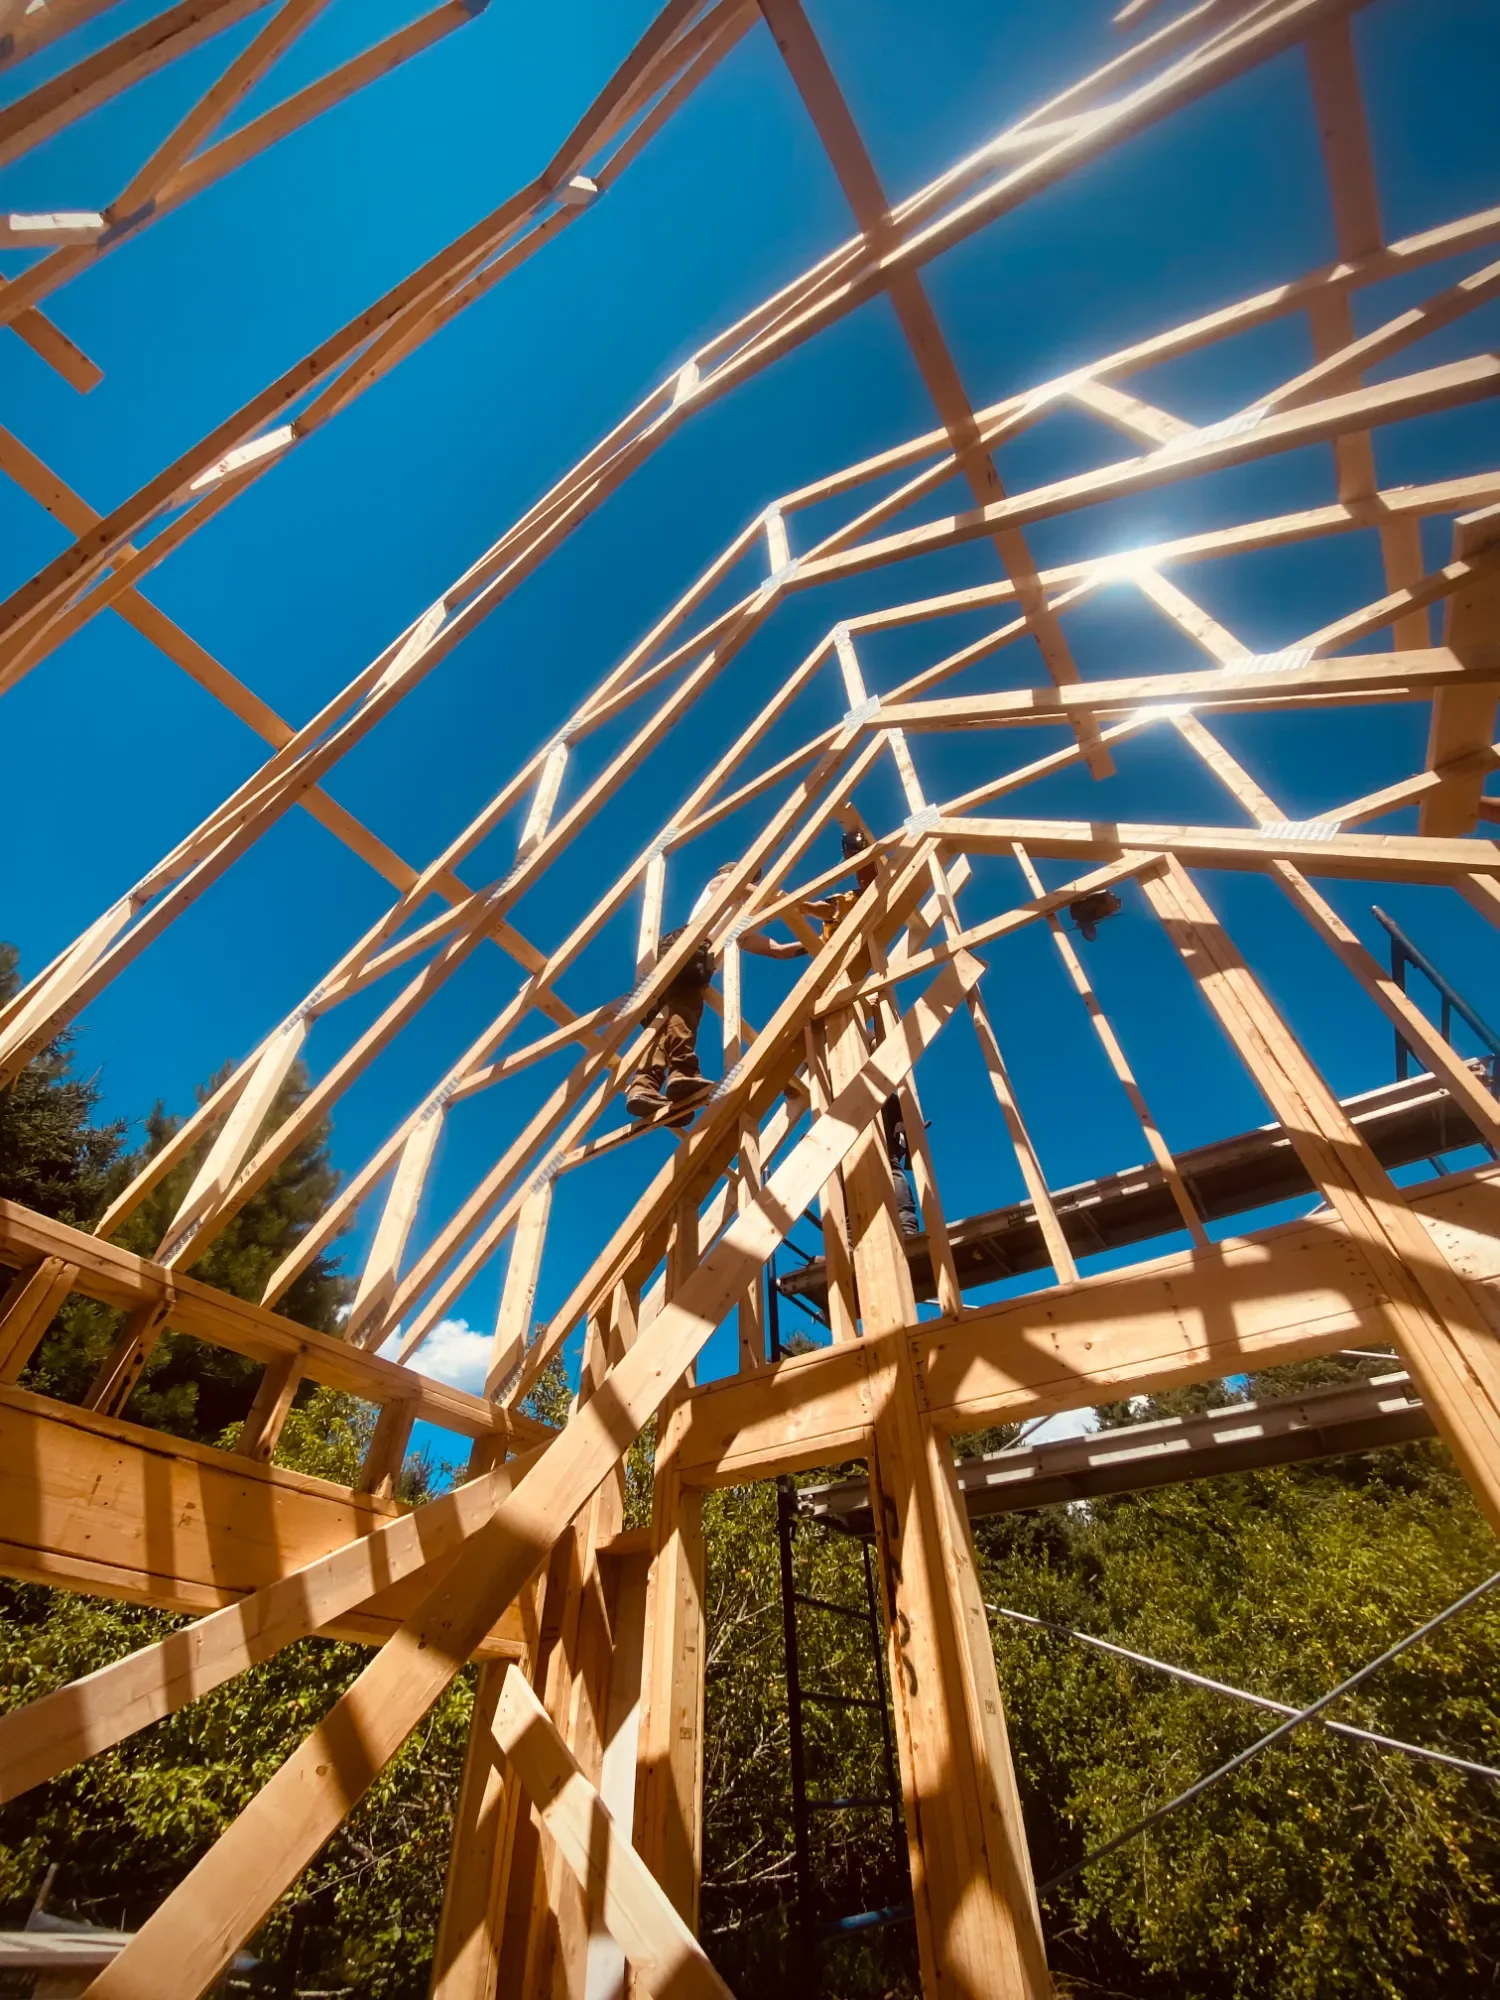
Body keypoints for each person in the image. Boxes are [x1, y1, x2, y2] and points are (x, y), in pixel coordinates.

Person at [624, 864, 808, 1124]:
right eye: (751, 878)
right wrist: (810, 907)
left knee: (664, 1023)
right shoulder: (721, 883)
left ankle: (644, 1086)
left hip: (691, 957)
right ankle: (682, 1072)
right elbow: (760, 893)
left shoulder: (738, 926)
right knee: (685, 1010)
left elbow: (778, 950)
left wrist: (814, 942)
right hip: (685, 945)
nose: (753, 883)